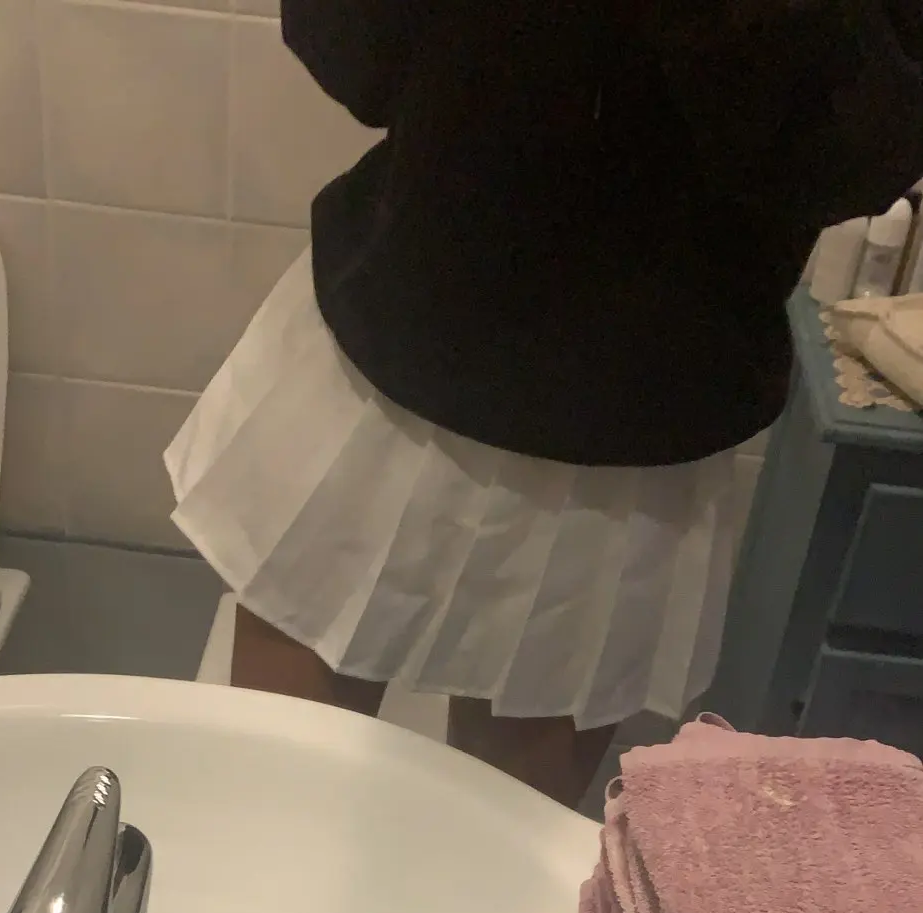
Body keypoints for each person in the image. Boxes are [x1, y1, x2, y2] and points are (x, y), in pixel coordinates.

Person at [166, 0, 923, 806]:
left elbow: (857, 148)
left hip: (618, 431)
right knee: (266, 808)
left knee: (474, 856)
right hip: (406, 364)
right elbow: (349, 51)